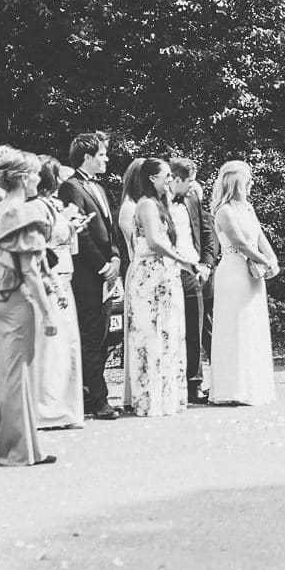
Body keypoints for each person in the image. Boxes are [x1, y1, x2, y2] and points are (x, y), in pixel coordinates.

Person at [0, 150, 61, 466]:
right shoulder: (24, 214)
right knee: (19, 373)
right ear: (23, 177)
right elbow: (29, 270)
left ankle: (6, 446)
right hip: (17, 297)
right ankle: (19, 450)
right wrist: (48, 312)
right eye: (35, 174)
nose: (40, 179)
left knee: (8, 370)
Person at [121, 158, 192, 416]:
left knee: (168, 332)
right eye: (165, 176)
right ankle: (151, 398)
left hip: (164, 274)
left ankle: (168, 395)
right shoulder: (146, 204)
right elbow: (153, 240)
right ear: (152, 178)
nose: (170, 180)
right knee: (152, 332)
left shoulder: (161, 204)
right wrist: (181, 258)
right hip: (150, 275)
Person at [60, 131, 122, 420]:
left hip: (106, 268)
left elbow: (108, 229)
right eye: (102, 154)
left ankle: (93, 395)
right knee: (91, 335)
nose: (106, 158)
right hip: (87, 275)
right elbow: (80, 234)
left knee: (103, 335)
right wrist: (102, 266)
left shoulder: (97, 187)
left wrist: (116, 257)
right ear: (87, 157)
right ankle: (98, 400)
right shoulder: (70, 187)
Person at [209, 159, 278, 406]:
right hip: (233, 272)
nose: (250, 183)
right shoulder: (224, 211)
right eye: (247, 179)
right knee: (234, 327)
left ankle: (253, 386)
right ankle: (232, 389)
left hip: (252, 273)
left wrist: (273, 258)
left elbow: (258, 235)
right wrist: (264, 261)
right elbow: (240, 243)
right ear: (236, 181)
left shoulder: (246, 207)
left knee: (252, 325)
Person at [35, 156, 85, 428]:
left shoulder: (56, 206)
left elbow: (70, 246)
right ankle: (48, 408)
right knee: (52, 345)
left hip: (66, 274)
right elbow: (41, 248)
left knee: (67, 345)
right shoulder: (40, 207)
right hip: (52, 279)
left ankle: (66, 407)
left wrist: (73, 226)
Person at [168, 158, 218, 403]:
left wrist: (205, 264)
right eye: (189, 181)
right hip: (168, 271)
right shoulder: (157, 204)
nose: (193, 186)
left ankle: (194, 383)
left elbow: (205, 234)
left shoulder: (192, 199)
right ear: (176, 179)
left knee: (194, 330)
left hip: (193, 274)